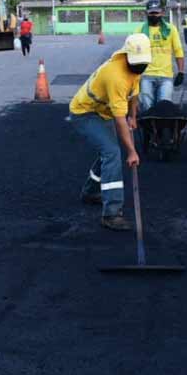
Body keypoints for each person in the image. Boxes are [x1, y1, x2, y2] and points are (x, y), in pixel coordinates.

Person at [69, 33, 151, 231]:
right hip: (85, 112)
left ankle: (90, 192)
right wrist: (132, 151)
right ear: (126, 54)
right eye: (137, 63)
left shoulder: (136, 65)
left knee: (108, 151)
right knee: (112, 152)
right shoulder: (116, 75)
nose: (139, 67)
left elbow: (134, 93)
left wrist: (133, 115)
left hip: (102, 113)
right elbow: (119, 120)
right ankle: (111, 213)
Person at [137, 0, 185, 112]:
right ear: (146, 13)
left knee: (164, 108)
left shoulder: (170, 29)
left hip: (166, 77)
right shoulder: (139, 30)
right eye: (151, 13)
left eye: (156, 13)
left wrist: (181, 72)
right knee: (147, 109)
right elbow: (133, 52)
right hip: (146, 76)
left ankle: (163, 130)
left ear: (162, 13)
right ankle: (148, 130)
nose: (154, 15)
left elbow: (178, 51)